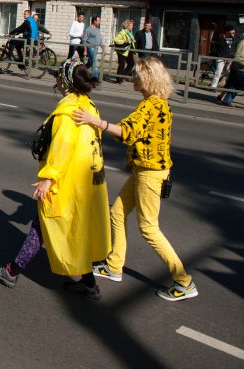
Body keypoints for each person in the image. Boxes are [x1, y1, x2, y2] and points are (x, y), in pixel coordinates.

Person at [73, 57, 198, 302]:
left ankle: (184, 281)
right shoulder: (159, 104)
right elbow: (150, 139)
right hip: (146, 170)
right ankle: (114, 266)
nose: (133, 78)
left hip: (150, 174)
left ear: (148, 79)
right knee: (117, 212)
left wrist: (94, 121)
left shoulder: (151, 106)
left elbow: (128, 132)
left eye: (137, 75)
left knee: (149, 228)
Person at [0, 60, 110, 298]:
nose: (54, 80)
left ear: (64, 82)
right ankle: (89, 284)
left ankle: (12, 271)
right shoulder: (88, 106)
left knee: (44, 224)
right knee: (65, 230)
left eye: (56, 76)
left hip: (68, 181)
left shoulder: (67, 113)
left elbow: (63, 148)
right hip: (86, 182)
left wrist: (48, 178)